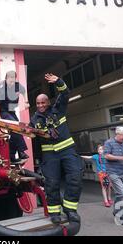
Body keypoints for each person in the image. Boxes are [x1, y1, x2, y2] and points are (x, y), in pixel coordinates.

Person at [29, 73, 82, 224]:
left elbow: (65, 93)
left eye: (43, 103)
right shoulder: (34, 120)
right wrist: (30, 133)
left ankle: (70, 209)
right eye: (38, 103)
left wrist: (58, 81)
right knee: (51, 184)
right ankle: (54, 212)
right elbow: (31, 136)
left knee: (75, 178)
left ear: (48, 102)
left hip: (67, 151)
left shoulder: (58, 109)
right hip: (49, 156)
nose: (40, 106)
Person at [0, 70, 30, 164]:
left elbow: (24, 91)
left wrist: (26, 102)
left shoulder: (17, 85)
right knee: (16, 129)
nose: (12, 83)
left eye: (13, 81)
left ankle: (11, 156)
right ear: (6, 79)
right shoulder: (1, 87)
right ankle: (21, 152)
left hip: (12, 111)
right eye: (10, 81)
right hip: (3, 112)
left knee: (18, 130)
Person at [104, 126, 123, 225]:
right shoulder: (109, 142)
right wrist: (122, 158)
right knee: (122, 193)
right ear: (118, 134)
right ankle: (117, 212)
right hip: (113, 172)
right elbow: (107, 155)